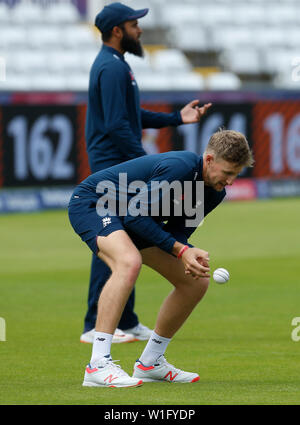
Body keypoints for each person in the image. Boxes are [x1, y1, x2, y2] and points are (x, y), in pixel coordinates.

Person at [68, 129, 254, 387]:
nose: (231, 181)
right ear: (210, 160)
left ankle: (150, 363)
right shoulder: (180, 168)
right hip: (95, 203)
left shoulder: (214, 191)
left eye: (236, 174)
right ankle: (97, 365)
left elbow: (177, 233)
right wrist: (181, 250)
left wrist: (188, 252)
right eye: (228, 172)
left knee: (195, 281)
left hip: (133, 219)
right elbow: (135, 215)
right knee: (128, 261)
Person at [81, 1, 212, 344]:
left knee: (126, 237)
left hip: (119, 160)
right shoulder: (111, 67)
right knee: (113, 238)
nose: (139, 29)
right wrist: (149, 164)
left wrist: (174, 119)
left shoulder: (116, 65)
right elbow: (116, 125)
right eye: (134, 24)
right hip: (113, 163)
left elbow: (131, 115)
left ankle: (125, 319)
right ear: (116, 31)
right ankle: (96, 323)